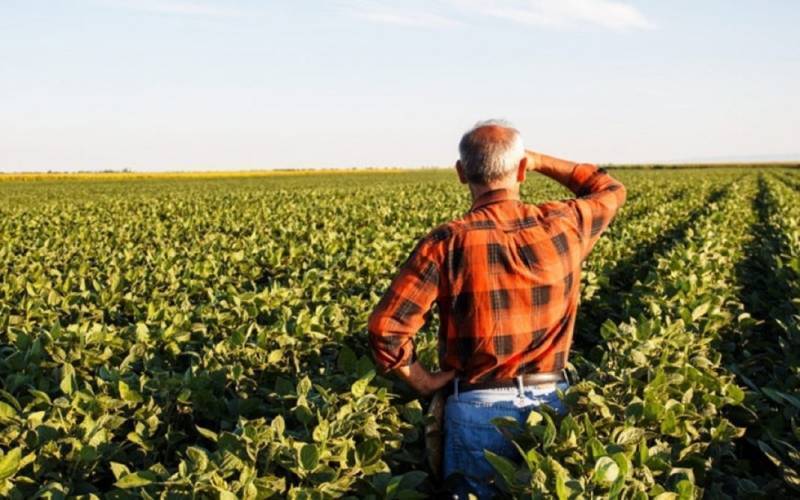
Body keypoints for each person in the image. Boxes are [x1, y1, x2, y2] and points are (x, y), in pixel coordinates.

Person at [367, 119, 626, 498]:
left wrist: (422, 380)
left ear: (461, 173)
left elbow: (387, 328)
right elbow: (610, 189)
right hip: (550, 405)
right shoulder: (564, 224)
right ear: (521, 170)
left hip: (476, 408)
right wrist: (539, 160)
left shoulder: (445, 242)